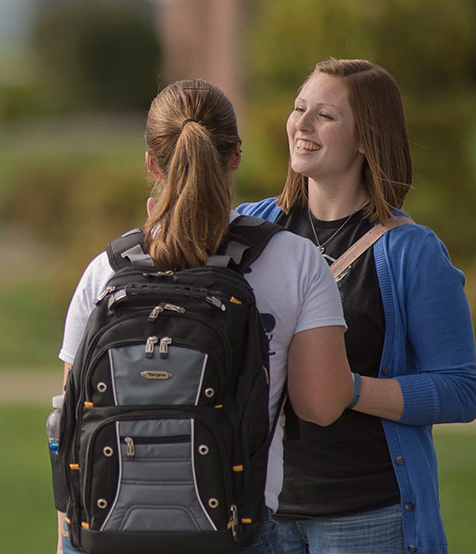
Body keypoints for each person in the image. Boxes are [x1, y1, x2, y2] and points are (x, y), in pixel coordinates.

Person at [55, 79, 355, 554]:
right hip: (235, 528)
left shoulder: (107, 270)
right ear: (235, 157)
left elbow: (71, 423)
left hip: (108, 529)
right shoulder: (294, 260)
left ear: (152, 164)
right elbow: (319, 404)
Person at [235, 58, 476, 554]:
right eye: (299, 108)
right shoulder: (247, 229)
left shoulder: (413, 253)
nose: (301, 125)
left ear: (367, 138)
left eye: (324, 116)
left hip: (367, 518)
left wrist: (346, 390)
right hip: (255, 513)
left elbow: (461, 390)